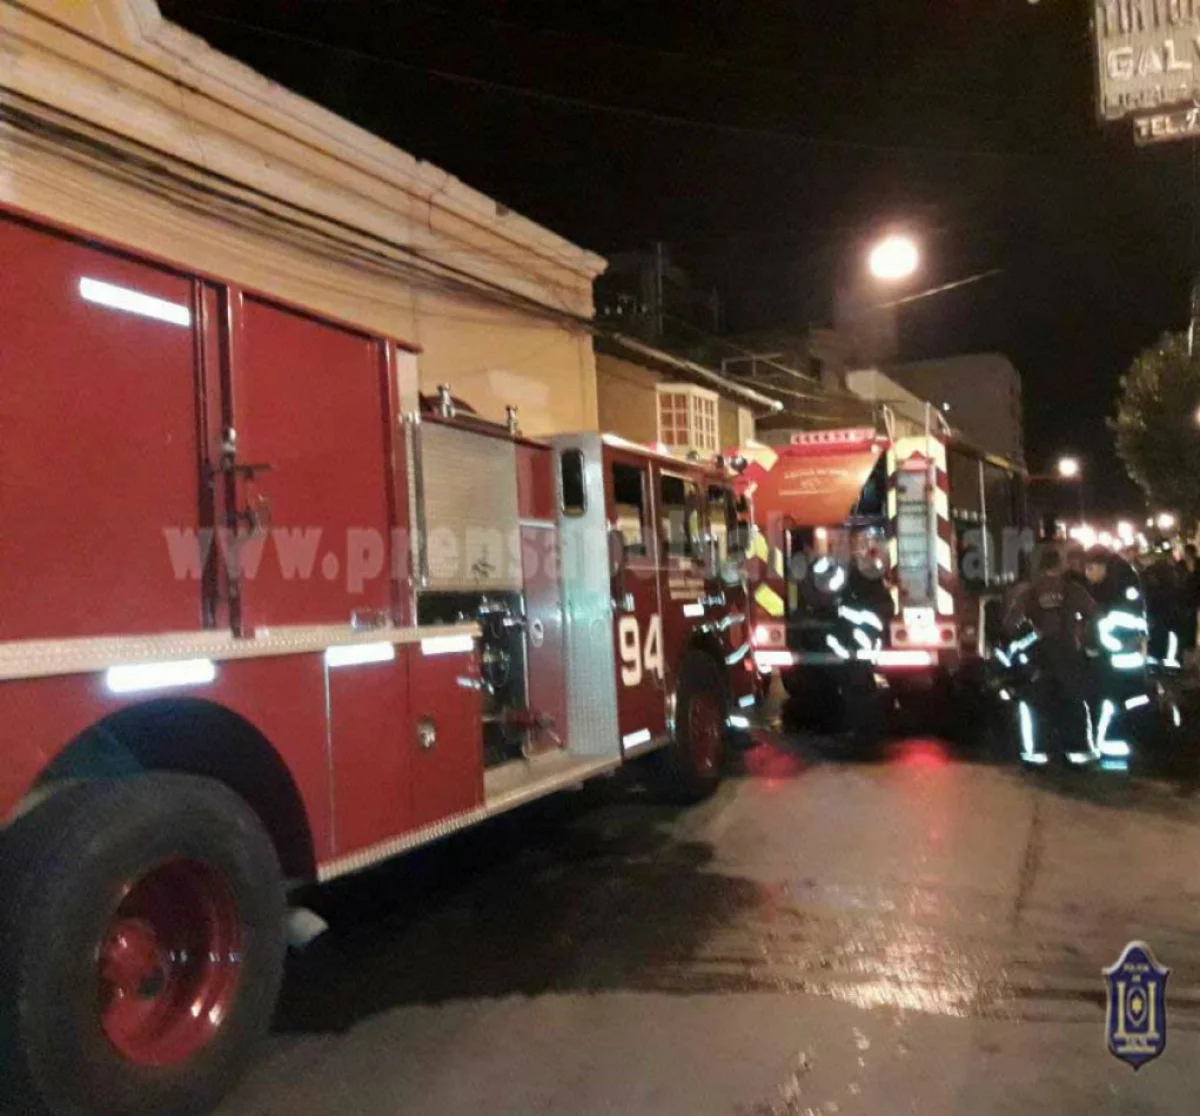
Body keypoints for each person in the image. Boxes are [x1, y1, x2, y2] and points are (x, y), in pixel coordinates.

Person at [1002, 546, 1097, 765]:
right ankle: (1077, 751)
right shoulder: (1073, 589)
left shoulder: (1030, 592)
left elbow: (1010, 624)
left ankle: (1039, 752)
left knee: (1038, 706)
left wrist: (1029, 636)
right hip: (1068, 655)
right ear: (1060, 566)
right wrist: (1081, 633)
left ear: (1041, 567)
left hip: (1040, 657)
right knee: (1073, 703)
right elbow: (1094, 612)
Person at [1177, 543, 1200, 664]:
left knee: (1192, 621)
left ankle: (1190, 646)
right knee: (1189, 622)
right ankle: (1188, 646)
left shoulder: (1198, 563)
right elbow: (1178, 581)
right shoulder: (1180, 565)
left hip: (1196, 596)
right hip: (1185, 598)